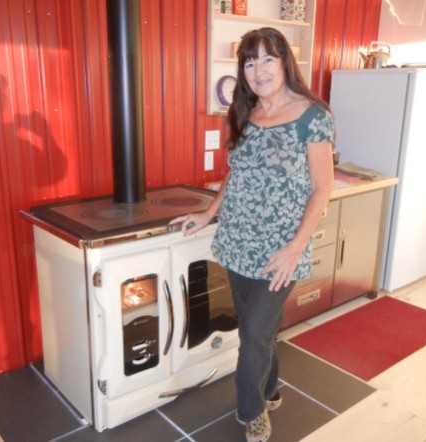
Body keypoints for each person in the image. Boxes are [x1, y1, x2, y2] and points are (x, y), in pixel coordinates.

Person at [170, 27, 334, 442]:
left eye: (267, 59)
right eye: (249, 61)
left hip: (281, 248)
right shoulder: (245, 111)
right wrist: (209, 213)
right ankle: (272, 388)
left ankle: (252, 411)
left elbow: (322, 188)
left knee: (255, 334)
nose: (258, 70)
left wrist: (295, 249)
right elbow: (236, 173)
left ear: (284, 63)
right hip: (238, 239)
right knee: (255, 331)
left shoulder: (313, 115)